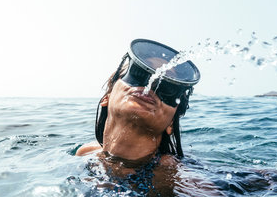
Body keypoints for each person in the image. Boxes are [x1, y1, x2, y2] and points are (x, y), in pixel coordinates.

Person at [76, 39, 200, 168]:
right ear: (107, 96)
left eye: (167, 87)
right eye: (138, 74)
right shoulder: (85, 153)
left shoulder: (181, 177)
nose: (150, 86)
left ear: (171, 123)